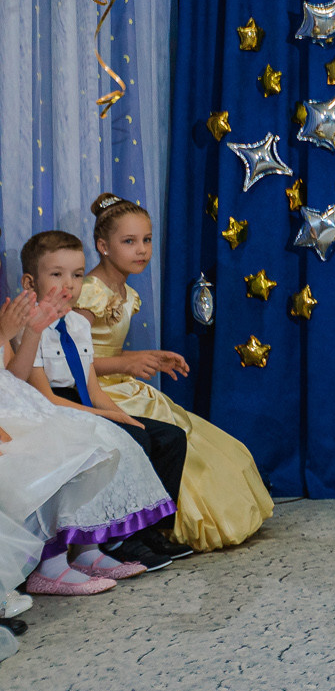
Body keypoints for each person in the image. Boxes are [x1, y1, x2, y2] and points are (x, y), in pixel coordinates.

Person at [75, 194, 273, 552]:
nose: (142, 250)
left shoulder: (126, 291)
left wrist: (147, 357)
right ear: (103, 246)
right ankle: (143, 530)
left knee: (213, 446)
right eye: (129, 242)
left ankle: (157, 526)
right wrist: (125, 364)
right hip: (96, 391)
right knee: (172, 442)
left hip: (121, 384)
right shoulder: (89, 292)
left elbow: (108, 350)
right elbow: (75, 362)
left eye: (147, 240)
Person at [3, 231, 187, 571]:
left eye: (77, 274)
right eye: (57, 274)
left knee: (170, 438)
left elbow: (93, 388)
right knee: (129, 439)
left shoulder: (76, 323)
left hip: (84, 400)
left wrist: (122, 416)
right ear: (31, 281)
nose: (69, 285)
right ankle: (118, 540)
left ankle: (145, 530)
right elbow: (43, 396)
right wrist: (113, 422)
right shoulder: (29, 325)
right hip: (54, 405)